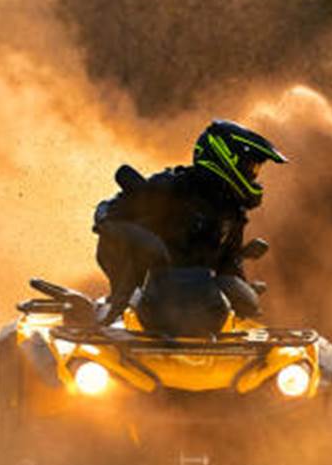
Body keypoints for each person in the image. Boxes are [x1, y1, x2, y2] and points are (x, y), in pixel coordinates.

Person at [93, 119, 287, 326]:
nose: (254, 176)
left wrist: (243, 290)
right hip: (142, 303)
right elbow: (108, 214)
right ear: (225, 158)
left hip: (202, 313)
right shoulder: (172, 188)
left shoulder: (232, 210)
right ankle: (113, 308)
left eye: (255, 170)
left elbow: (227, 264)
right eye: (250, 168)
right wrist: (123, 230)